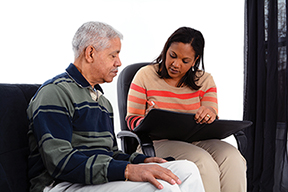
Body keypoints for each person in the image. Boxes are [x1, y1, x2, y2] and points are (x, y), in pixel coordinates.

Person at [26, 21, 205, 192]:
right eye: (113, 55)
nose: (119, 62)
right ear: (90, 53)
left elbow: (109, 153)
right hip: (62, 184)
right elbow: (60, 162)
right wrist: (127, 170)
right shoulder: (56, 92)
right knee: (162, 186)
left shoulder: (102, 102)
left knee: (187, 170)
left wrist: (142, 161)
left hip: (95, 180)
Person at [126, 27, 247, 192]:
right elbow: (132, 119)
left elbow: (212, 113)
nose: (176, 64)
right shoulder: (145, 75)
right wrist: (149, 121)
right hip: (157, 143)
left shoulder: (205, 80)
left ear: (195, 60)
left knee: (232, 157)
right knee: (202, 162)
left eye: (185, 60)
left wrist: (210, 114)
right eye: (172, 56)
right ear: (166, 49)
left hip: (197, 140)